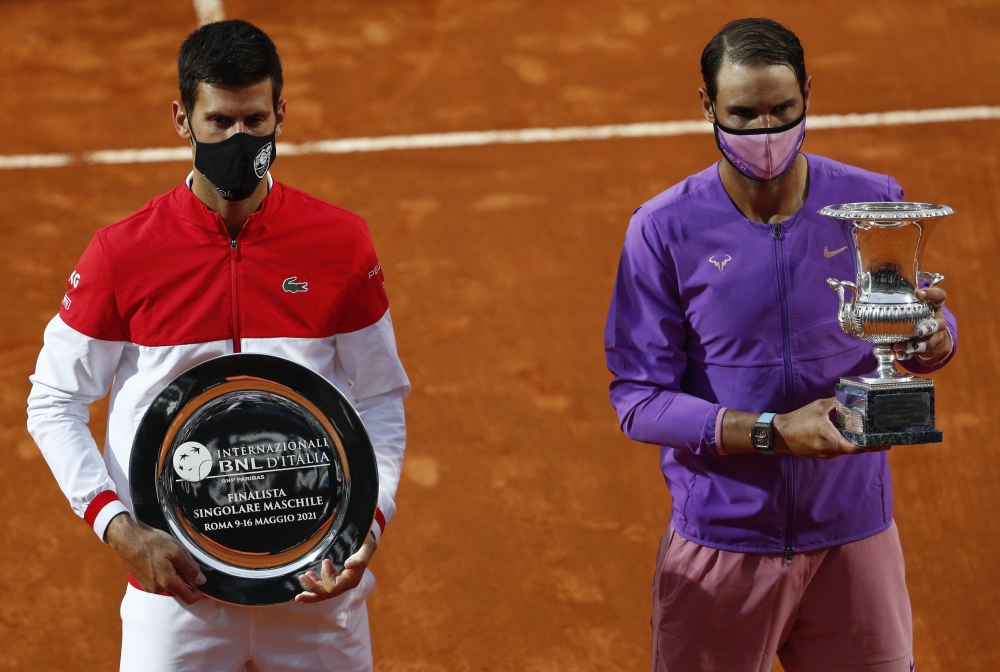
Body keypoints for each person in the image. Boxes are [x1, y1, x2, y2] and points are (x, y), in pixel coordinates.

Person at [26, 19, 409, 672]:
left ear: (280, 113)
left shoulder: (341, 245)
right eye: (220, 123)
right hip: (174, 592)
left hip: (314, 588)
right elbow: (55, 400)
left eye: (256, 120)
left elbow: (379, 399)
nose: (240, 139)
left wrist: (363, 529)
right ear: (183, 120)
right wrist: (119, 529)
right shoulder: (122, 254)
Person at [604, 18, 956, 672]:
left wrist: (932, 336)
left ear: (808, 97)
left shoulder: (871, 201)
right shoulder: (661, 230)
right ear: (707, 106)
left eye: (781, 111)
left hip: (854, 538)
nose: (765, 133)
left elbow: (913, 324)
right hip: (724, 546)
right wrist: (771, 431)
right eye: (743, 114)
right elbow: (638, 400)